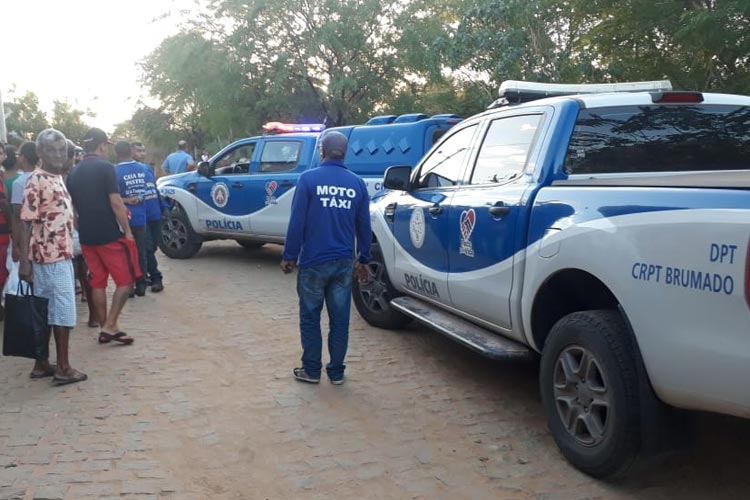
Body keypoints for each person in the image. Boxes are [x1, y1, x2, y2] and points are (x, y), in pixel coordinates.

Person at [280, 131, 371, 385]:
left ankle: (311, 370)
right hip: (343, 264)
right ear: (345, 152)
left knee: (310, 317)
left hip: (313, 263)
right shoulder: (357, 184)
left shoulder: (308, 179)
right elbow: (364, 225)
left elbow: (297, 223)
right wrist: (364, 258)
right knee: (340, 319)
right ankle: (337, 372)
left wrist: (289, 255)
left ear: (321, 151)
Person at [18, 129, 87, 385]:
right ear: (39, 153)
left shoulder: (55, 176)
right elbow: (25, 222)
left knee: (47, 311)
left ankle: (41, 363)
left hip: (57, 255)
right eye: (51, 150)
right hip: (50, 258)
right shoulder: (37, 179)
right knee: (62, 313)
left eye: (62, 151)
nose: (58, 155)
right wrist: (24, 262)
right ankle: (64, 368)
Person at [67, 127, 138, 345]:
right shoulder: (106, 168)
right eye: (105, 146)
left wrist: (81, 228)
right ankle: (110, 325)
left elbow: (72, 209)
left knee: (97, 282)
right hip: (110, 235)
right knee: (127, 281)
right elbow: (116, 202)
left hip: (87, 236)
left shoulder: (73, 173)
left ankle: (105, 327)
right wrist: (127, 231)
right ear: (100, 145)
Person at [114, 141, 149, 297]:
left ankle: (128, 286)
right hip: (141, 216)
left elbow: (113, 198)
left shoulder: (114, 172)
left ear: (116, 153)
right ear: (130, 151)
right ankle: (141, 284)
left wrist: (127, 201)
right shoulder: (143, 169)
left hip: (122, 219)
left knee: (125, 254)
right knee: (140, 252)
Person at [132, 141, 164, 292]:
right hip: (142, 216)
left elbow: (154, 189)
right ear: (131, 152)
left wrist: (163, 207)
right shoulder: (128, 171)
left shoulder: (148, 168)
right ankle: (155, 277)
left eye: (143, 150)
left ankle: (148, 276)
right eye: (138, 151)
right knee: (147, 248)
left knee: (153, 246)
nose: (142, 154)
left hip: (155, 213)